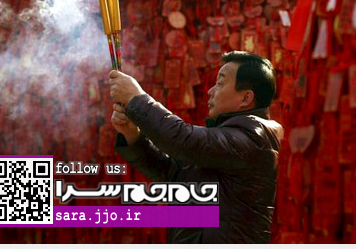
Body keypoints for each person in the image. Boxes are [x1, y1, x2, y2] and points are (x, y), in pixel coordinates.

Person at [109, 51, 284, 244]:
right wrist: (133, 136)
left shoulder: (253, 138)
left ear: (245, 98)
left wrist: (136, 98)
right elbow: (173, 173)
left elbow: (183, 139)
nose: (210, 91)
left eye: (220, 83)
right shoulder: (228, 142)